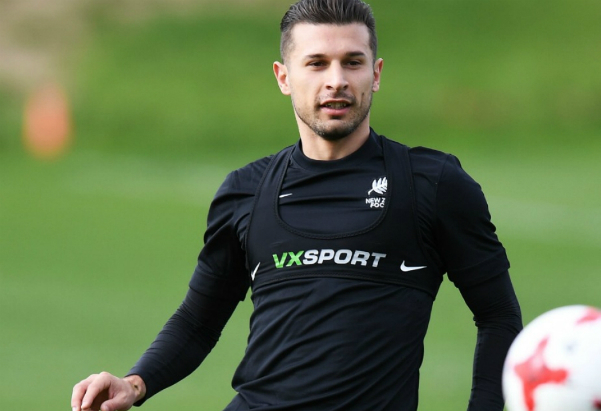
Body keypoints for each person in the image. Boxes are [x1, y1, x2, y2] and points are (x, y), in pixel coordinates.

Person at [70, 0, 522, 410]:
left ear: (376, 73)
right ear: (284, 77)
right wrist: (135, 383)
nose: (336, 80)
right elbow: (198, 321)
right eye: (317, 63)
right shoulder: (245, 191)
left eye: (353, 62)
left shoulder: (432, 184)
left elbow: (499, 317)